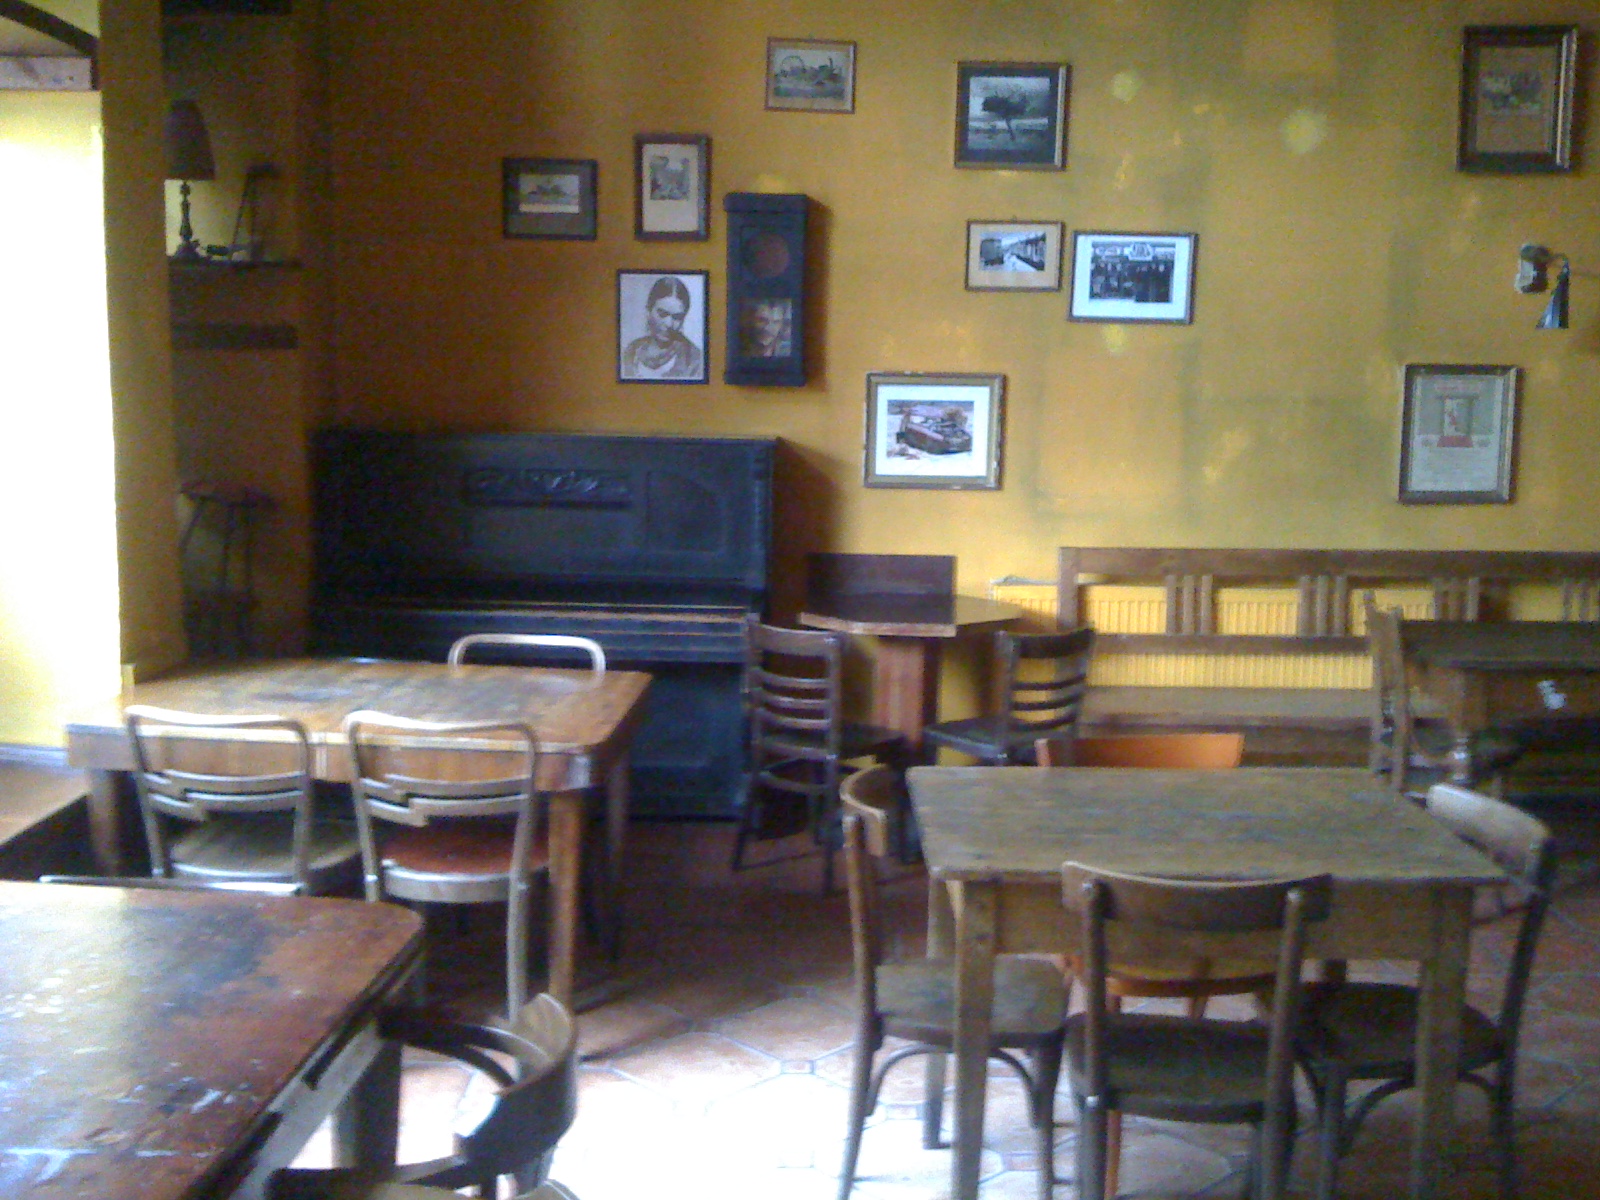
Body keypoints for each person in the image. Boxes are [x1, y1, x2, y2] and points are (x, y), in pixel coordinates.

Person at [623, 276, 704, 380]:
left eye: (677, 317)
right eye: (662, 314)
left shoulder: (695, 361)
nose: (669, 324)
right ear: (648, 311)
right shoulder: (631, 352)